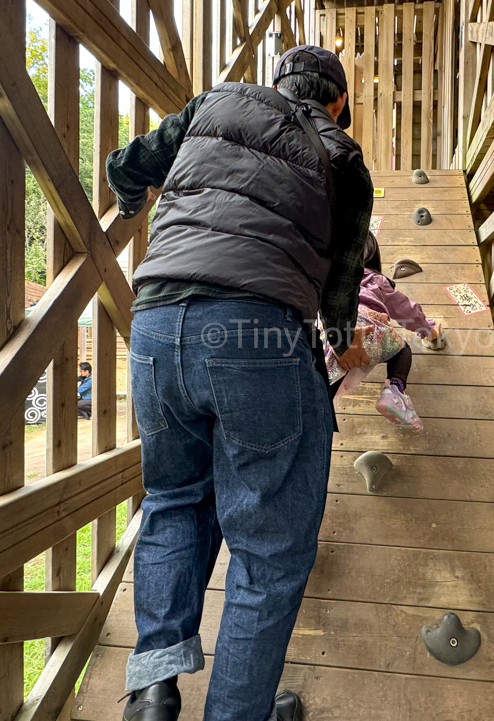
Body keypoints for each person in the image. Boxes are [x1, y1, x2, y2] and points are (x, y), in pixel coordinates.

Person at [106, 46, 373, 721]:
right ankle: (237, 711)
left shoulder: (217, 103)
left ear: (277, 84)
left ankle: (152, 688)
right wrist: (344, 345)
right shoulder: (341, 154)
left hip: (157, 327)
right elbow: (341, 284)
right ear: (336, 101)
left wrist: (133, 199)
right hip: (257, 332)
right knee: (270, 552)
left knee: (172, 500)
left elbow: (127, 163)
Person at [324, 232, 442, 431]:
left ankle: (320, 409)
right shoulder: (376, 279)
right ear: (372, 254)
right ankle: (394, 392)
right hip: (372, 330)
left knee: (332, 372)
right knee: (402, 350)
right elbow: (407, 311)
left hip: (334, 336)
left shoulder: (328, 279)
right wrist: (428, 329)